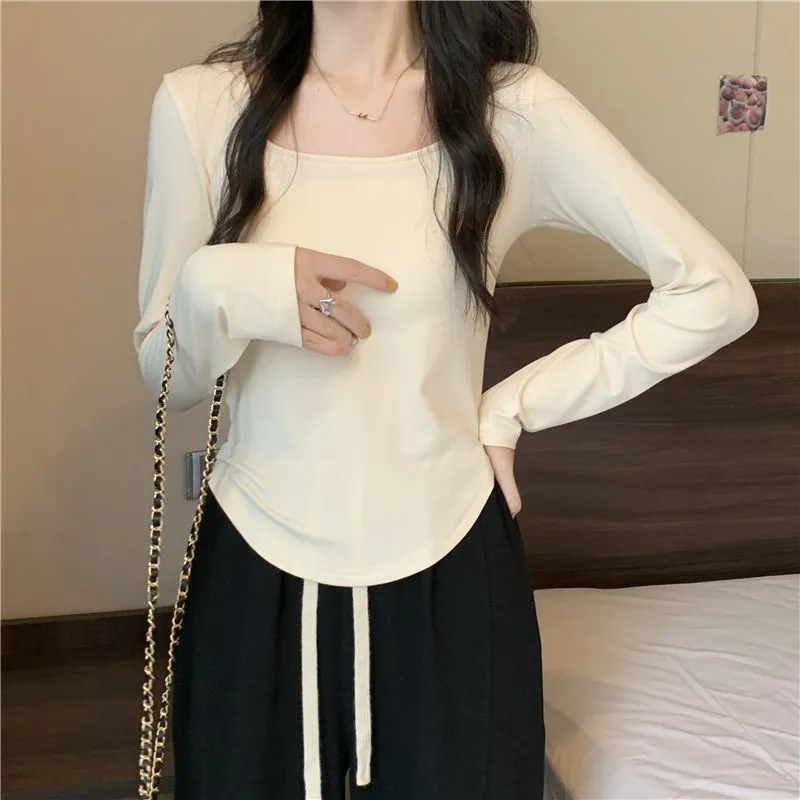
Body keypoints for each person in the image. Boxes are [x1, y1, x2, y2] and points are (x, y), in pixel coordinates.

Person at [132, 2, 759, 799]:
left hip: (452, 565)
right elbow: (167, 374)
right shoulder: (198, 107)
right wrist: (225, 283)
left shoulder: (511, 110)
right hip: (255, 572)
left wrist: (513, 406)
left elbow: (714, 294)